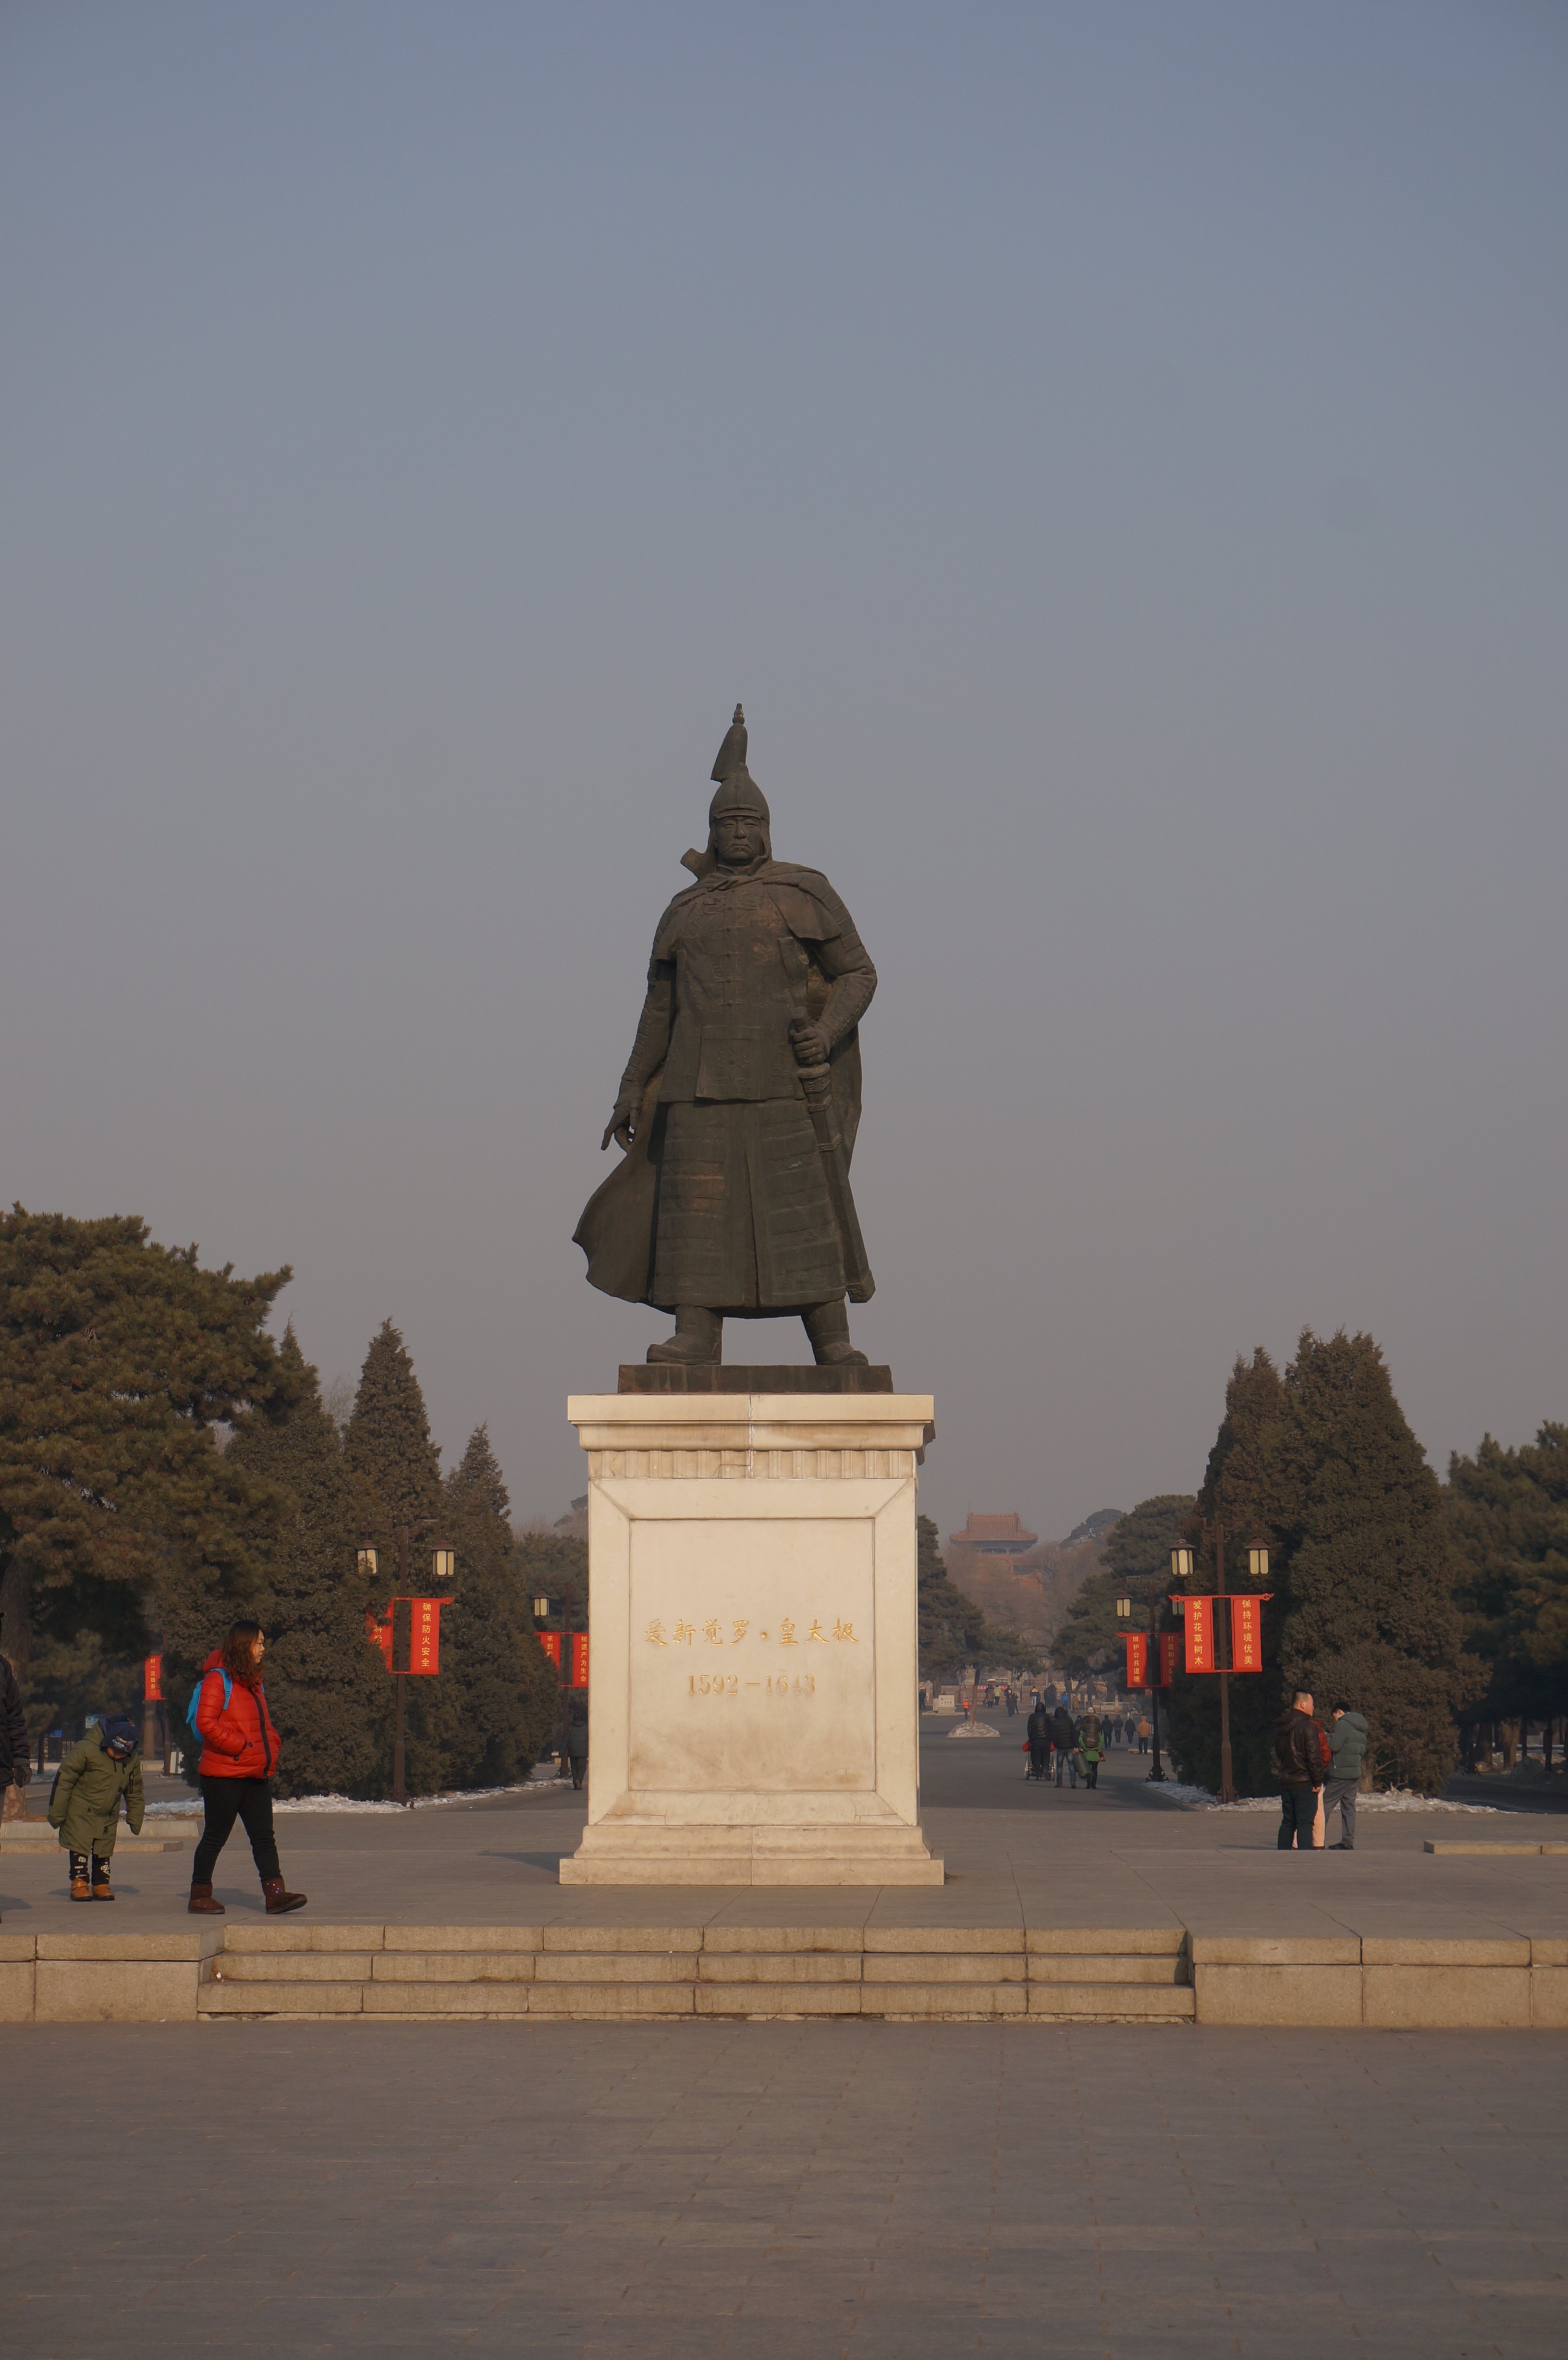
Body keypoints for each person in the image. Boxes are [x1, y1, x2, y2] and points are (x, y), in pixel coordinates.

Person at [576, 706, 878, 1368]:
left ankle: (832, 1340)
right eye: (726, 824)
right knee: (697, 1215)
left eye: (749, 823)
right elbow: (659, 1009)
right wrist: (632, 1087)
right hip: (698, 1087)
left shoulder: (804, 891)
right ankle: (695, 1333)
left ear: (766, 831)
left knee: (803, 1209)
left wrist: (825, 1035)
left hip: (784, 1086)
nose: (738, 833)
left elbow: (858, 972)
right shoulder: (684, 909)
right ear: (711, 833)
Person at [187, 1621, 306, 1916]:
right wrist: (241, 1746)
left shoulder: (254, 1681)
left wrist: (272, 1744)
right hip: (223, 1775)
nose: (264, 1648)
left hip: (255, 1773)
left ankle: (275, 1895)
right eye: (259, 1643)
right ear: (244, 1644)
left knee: (264, 1836)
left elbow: (263, 1726)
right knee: (216, 1836)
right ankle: (199, 1894)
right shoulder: (219, 1680)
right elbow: (206, 1722)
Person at [49, 1714, 144, 1899]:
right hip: (80, 1809)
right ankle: (79, 1882)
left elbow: (135, 1790)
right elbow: (64, 1780)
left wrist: (136, 1816)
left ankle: (101, 1883)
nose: (117, 1756)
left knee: (104, 1850)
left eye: (122, 1754)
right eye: (114, 1751)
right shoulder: (85, 1749)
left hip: (108, 1813)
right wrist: (57, 1813)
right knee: (80, 1848)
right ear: (107, 1741)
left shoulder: (132, 1761)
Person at [1274, 1690, 1330, 1851]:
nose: (1314, 1708)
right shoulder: (1308, 1727)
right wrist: (1318, 1781)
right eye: (1312, 1704)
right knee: (1305, 1823)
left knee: (1288, 1821)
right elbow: (1314, 1758)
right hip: (1305, 1783)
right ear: (1303, 1704)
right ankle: (1306, 1860)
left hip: (1286, 1781)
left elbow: (1279, 1753)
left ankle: (1282, 1855)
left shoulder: (1281, 1727)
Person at [1323, 1702, 1368, 1849]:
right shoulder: (1360, 1726)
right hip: (1354, 1772)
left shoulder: (1343, 1724)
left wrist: (1327, 1737)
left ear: (1339, 1712)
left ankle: (1316, 1838)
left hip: (1341, 1772)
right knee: (1349, 1807)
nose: (1335, 1721)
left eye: (1334, 1717)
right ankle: (1348, 1841)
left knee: (1325, 1805)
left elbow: (1335, 1745)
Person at [1051, 1703, 1078, 1787]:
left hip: (1060, 1747)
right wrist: (1076, 1745)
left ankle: (1060, 1783)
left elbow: (1054, 1736)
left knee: (1060, 1766)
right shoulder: (1069, 1721)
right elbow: (1074, 1734)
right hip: (1070, 1746)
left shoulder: (1055, 1722)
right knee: (1071, 1765)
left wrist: (1056, 1744)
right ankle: (1073, 1782)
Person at [1025, 1699, 1051, 1780]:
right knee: (1046, 1756)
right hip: (1046, 1740)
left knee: (1036, 1757)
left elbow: (1029, 1729)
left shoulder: (1032, 1717)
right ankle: (1045, 1769)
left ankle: (1039, 1774)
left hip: (1036, 1740)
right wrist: (1051, 1739)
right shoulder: (1047, 1717)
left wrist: (1031, 1739)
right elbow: (1051, 1728)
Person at [565, 1700, 589, 1790]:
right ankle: (579, 1780)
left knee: (574, 1767)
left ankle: (576, 1781)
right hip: (583, 1751)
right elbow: (591, 1739)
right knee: (582, 1767)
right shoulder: (587, 1727)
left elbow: (566, 1739)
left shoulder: (570, 1727)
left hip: (573, 1751)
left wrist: (562, 1751)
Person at [1077, 1712, 1104, 1790]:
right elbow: (1102, 1741)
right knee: (1095, 1770)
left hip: (1087, 1753)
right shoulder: (1098, 1729)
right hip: (1096, 1754)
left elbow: (1080, 1739)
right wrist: (1097, 1748)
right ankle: (1094, 1785)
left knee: (1088, 1770)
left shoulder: (1085, 1728)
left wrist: (1085, 1748)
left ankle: (1088, 1785)